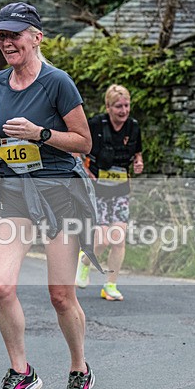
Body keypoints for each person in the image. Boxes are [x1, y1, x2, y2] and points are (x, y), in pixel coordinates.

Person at [0, 2, 102, 389]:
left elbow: (84, 142)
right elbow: (4, 134)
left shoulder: (57, 82)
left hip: (58, 193)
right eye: (2, 36)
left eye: (14, 34)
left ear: (36, 37)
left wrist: (41, 133)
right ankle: (21, 372)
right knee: (0, 286)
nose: (6, 42)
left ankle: (79, 369)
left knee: (60, 295)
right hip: (14, 190)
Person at [75, 84, 144, 301]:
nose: (123, 111)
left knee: (118, 240)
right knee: (103, 240)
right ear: (108, 107)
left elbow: (137, 153)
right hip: (98, 191)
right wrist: (85, 170)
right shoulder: (95, 124)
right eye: (118, 106)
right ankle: (84, 261)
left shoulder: (133, 127)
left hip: (121, 191)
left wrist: (139, 163)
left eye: (126, 105)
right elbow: (76, 149)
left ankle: (110, 286)